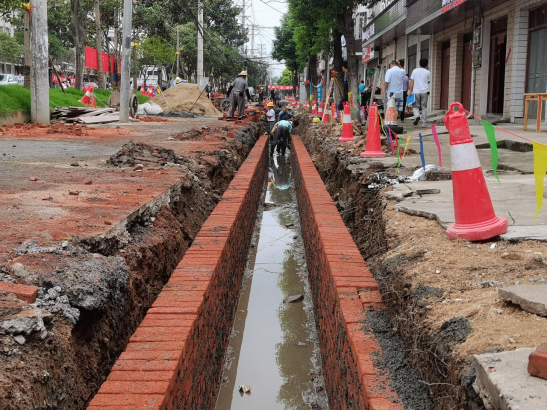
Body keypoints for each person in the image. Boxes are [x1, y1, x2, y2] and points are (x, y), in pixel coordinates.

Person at [408, 58, 431, 127]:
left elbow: (412, 81)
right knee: (424, 107)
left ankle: (417, 116)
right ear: (426, 64)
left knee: (415, 106)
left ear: (419, 63)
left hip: (416, 91)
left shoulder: (415, 71)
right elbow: (428, 82)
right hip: (424, 91)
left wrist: (410, 90)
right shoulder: (428, 72)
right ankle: (424, 123)